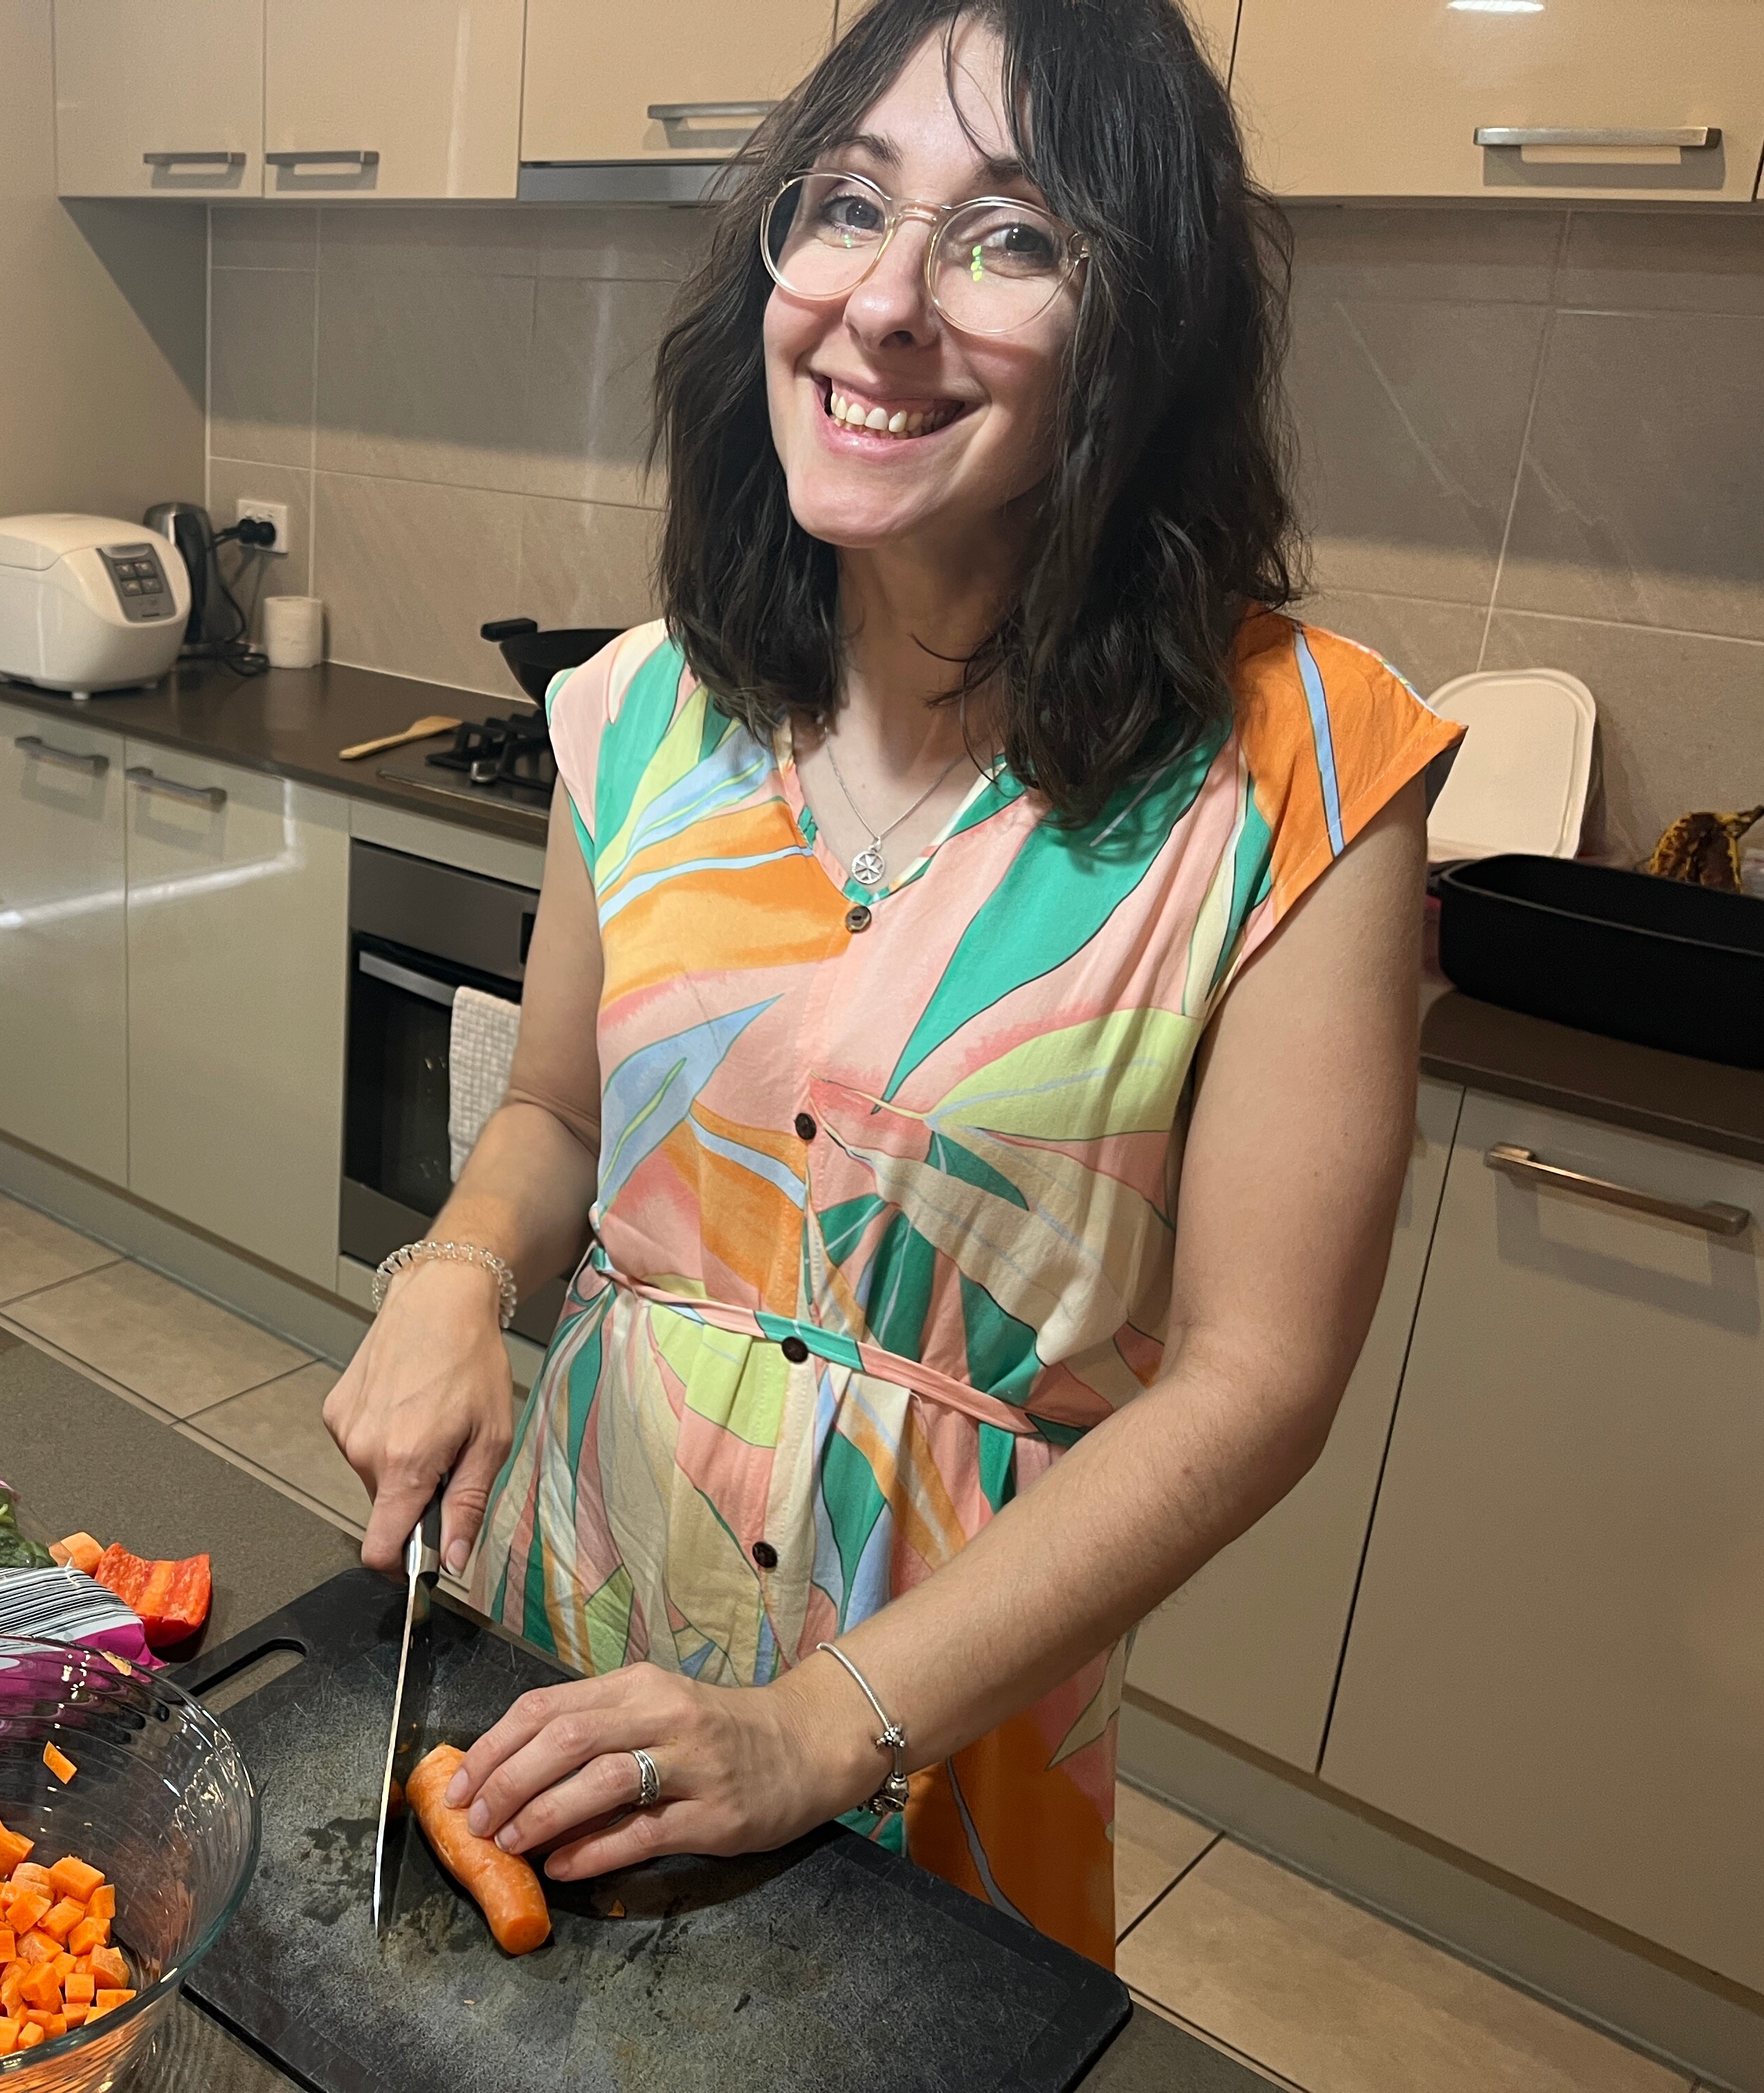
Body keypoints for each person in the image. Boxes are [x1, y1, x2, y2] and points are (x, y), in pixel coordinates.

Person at [322, 0, 1461, 1965]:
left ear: (1144, 328)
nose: (886, 304)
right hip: (567, 1616)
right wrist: (450, 1279)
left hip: (940, 1719)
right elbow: (558, 1115)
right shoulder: (643, 710)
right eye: (846, 206)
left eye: (1011, 237)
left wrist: (809, 1729)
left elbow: (1260, 1378)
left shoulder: (1306, 776)